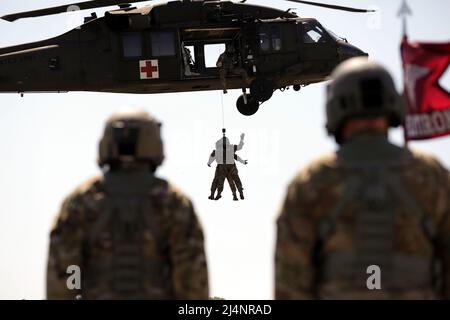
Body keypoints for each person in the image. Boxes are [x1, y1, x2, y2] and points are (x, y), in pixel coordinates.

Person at [275, 57, 450, 299]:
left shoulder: (311, 183)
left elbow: (291, 287)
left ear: (335, 107)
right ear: (392, 103)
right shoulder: (433, 177)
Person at [47, 110, 209, 300]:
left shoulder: (80, 202)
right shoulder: (174, 203)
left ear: (106, 144)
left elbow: (63, 280)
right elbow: (193, 284)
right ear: (154, 144)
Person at [208, 131, 247, 201]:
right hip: (231, 167)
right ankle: (239, 194)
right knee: (234, 180)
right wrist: (241, 139)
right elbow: (237, 154)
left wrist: (209, 162)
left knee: (218, 181)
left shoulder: (218, 150)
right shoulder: (231, 147)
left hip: (222, 167)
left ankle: (216, 194)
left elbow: (212, 156)